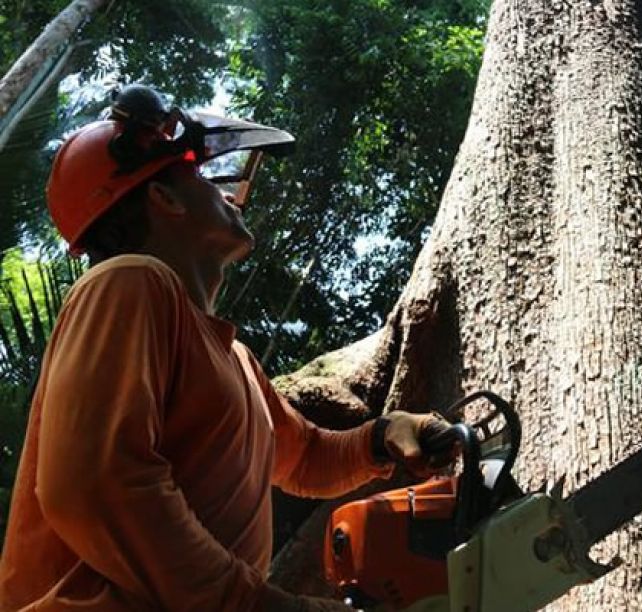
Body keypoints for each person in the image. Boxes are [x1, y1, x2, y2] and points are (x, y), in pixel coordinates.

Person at [0, 86, 454, 611]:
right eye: (198, 174)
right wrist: (253, 605)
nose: (229, 191)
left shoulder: (232, 357)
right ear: (165, 199)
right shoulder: (128, 282)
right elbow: (92, 482)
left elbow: (304, 458)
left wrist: (382, 436)